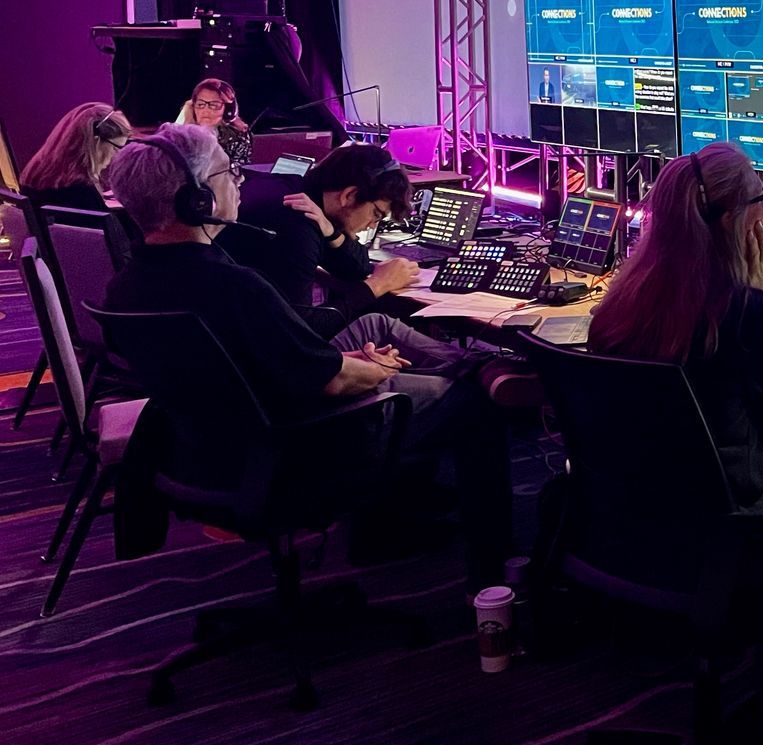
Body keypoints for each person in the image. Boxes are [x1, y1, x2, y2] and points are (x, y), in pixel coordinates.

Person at [102, 125, 510, 588]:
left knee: (395, 358)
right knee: (472, 404)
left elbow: (253, 359)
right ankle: (494, 566)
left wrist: (339, 357)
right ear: (198, 200)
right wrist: (370, 368)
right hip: (293, 447)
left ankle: (408, 514)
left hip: (201, 451)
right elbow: (330, 382)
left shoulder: (126, 285)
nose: (238, 180)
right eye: (227, 172)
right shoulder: (236, 288)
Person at [589, 141, 763, 507]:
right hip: (725, 522)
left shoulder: (623, 299)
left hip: (625, 513)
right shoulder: (747, 313)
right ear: (731, 218)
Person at [218, 142, 423, 338]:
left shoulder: (291, 188)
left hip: (227, 334)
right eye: (376, 214)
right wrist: (377, 286)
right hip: (255, 354)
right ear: (349, 195)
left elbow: (357, 268)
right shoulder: (297, 223)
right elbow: (301, 330)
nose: (372, 225)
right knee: (382, 329)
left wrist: (331, 232)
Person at [18, 102, 130, 215]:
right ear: (95, 142)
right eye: (116, 148)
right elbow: (111, 231)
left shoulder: (37, 174)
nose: (117, 156)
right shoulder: (81, 192)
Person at [177, 78, 253, 167]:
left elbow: (239, 172)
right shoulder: (183, 137)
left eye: (214, 105)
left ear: (228, 110)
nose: (206, 110)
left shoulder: (239, 137)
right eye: (200, 104)